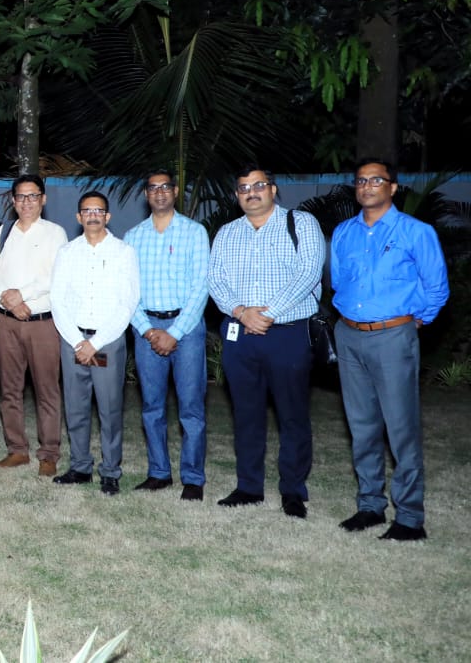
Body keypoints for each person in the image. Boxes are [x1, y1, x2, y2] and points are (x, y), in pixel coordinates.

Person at [331, 159, 449, 541]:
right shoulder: (344, 233)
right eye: (361, 181)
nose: (367, 186)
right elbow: (338, 282)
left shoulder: (416, 232)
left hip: (393, 338)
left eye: (376, 180)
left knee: (401, 429)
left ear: (393, 187)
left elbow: (436, 288)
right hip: (349, 335)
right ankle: (370, 506)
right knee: (362, 426)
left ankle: (410, 518)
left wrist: (414, 321)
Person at [207, 165, 323, 518]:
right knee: (246, 413)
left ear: (273, 189)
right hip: (240, 335)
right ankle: (248, 487)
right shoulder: (227, 233)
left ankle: (293, 490)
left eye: (258, 185)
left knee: (292, 414)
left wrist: (269, 313)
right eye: (244, 188)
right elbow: (215, 280)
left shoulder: (301, 224)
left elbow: (309, 273)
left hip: (288, 333)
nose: (251, 193)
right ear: (237, 195)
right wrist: (242, 312)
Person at [123, 171, 211, 501]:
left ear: (175, 192)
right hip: (147, 329)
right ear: (146, 194)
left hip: (186, 329)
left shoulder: (194, 232)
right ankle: (159, 472)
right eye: (153, 188)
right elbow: (128, 291)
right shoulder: (133, 237)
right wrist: (147, 330)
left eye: (165, 187)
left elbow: (201, 287)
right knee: (151, 406)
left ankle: (193, 477)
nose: (159, 193)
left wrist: (174, 332)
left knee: (191, 408)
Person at [50, 191, 139, 495]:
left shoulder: (123, 252)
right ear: (78, 217)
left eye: (98, 211)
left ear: (107, 216)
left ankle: (111, 471)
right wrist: (78, 341)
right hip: (72, 340)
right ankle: (80, 467)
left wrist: (96, 342)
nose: (92, 216)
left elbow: (128, 303)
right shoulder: (67, 252)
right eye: (87, 211)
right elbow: (57, 300)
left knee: (110, 410)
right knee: (75, 407)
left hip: (107, 342)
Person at [0, 175, 67, 476]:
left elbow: (56, 275)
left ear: (43, 199)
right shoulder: (4, 232)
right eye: (21, 196)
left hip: (42, 324)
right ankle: (16, 449)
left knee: (47, 390)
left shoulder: (56, 233)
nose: (27, 202)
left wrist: (22, 294)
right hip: (5, 321)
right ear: (13, 201)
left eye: (33, 196)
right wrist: (9, 299)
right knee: (10, 389)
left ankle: (49, 453)